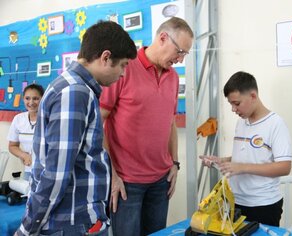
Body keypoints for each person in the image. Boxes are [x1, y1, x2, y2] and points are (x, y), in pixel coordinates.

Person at [15, 20, 137, 236]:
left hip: (75, 219)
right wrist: (27, 229)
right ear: (106, 57)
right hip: (71, 222)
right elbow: (56, 173)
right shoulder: (75, 93)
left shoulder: (75, 88)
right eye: (123, 65)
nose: (123, 74)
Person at [100, 17, 193, 235]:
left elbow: (170, 122)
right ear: (163, 38)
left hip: (160, 182)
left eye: (184, 55)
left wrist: (175, 163)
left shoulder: (173, 78)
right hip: (126, 184)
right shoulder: (124, 68)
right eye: (179, 52)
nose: (180, 60)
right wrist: (112, 175)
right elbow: (98, 121)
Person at [200, 71, 292, 226]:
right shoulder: (242, 122)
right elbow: (248, 157)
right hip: (236, 201)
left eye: (237, 103)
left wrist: (242, 167)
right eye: (231, 104)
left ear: (253, 96)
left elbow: (284, 167)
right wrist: (222, 161)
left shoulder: (275, 124)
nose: (233, 109)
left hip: (263, 205)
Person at [7, 84, 44, 181]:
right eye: (27, 98)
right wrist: (24, 155)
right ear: (23, 99)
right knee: (28, 195)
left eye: (35, 98)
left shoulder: (49, 119)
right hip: (29, 170)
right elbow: (12, 146)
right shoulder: (18, 119)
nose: (31, 102)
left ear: (43, 99)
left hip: (47, 171)